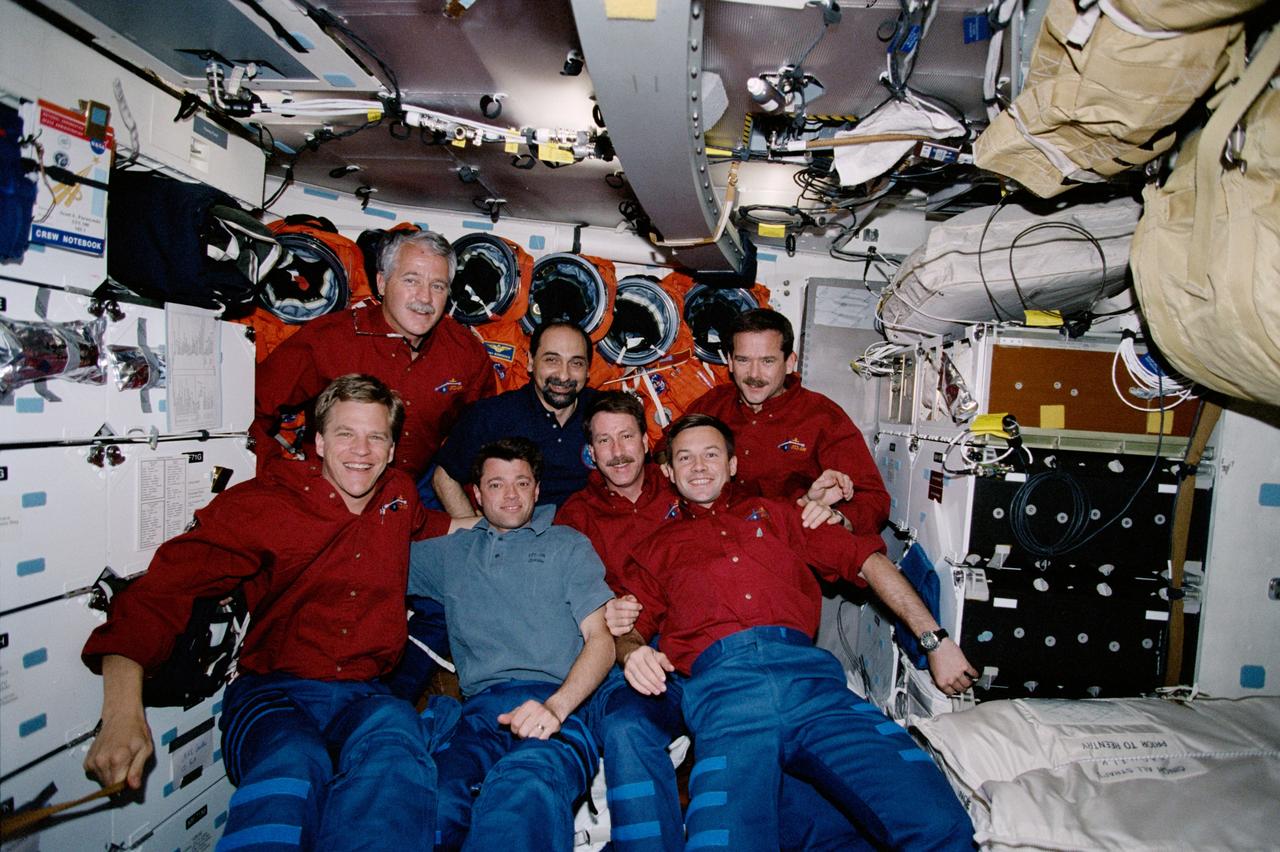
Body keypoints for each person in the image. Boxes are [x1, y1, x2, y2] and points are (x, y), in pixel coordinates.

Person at [82, 374, 461, 851]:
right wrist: (120, 712)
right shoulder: (264, 504)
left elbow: (445, 526)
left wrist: (518, 516)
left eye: (376, 437)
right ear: (319, 442)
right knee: (294, 761)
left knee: (398, 748)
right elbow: (159, 591)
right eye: (345, 434)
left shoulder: (399, 495)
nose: (360, 451)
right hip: (274, 692)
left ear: (390, 450)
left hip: (366, 696)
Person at [616, 414, 978, 851]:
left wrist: (933, 640)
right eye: (685, 458)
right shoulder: (655, 549)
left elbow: (869, 561)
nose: (698, 466)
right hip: (725, 702)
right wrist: (631, 650)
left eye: (711, 455)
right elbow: (626, 626)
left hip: (815, 690)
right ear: (669, 473)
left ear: (732, 465)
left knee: (939, 821)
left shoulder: (783, 516)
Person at [558, 392, 877, 851]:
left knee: (770, 720)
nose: (617, 451)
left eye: (627, 436)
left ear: (648, 445)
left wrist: (813, 501)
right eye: (603, 441)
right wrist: (607, 609)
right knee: (625, 723)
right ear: (590, 450)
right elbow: (573, 594)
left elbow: (759, 521)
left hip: (722, 652)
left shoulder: (684, 476)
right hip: (649, 651)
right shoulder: (577, 515)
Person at [409, 437, 614, 850]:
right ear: (477, 494)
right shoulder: (452, 554)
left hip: (558, 710)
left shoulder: (568, 545)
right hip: (479, 714)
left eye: (522, 483)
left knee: (524, 792)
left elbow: (602, 641)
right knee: (436, 801)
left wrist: (555, 708)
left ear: (537, 491)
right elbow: (369, 559)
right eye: (497, 484)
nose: (510, 495)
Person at [252, 229, 495, 480]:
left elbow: (483, 437)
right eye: (411, 281)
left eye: (437, 286)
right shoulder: (329, 338)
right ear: (382, 282)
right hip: (330, 490)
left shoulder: (466, 352)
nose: (425, 297)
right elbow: (252, 408)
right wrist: (274, 477)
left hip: (415, 492)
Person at [687, 308, 888, 534]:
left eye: (767, 361)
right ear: (730, 362)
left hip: (792, 543)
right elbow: (663, 456)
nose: (754, 374)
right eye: (743, 360)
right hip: (714, 538)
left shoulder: (823, 417)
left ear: (790, 362)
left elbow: (873, 499)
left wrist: (838, 518)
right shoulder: (711, 405)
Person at [433, 320, 597, 514]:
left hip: (585, 534)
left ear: (588, 371)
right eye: (552, 360)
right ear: (530, 361)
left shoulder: (604, 413)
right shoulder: (492, 415)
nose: (563, 375)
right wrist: (474, 531)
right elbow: (444, 477)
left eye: (576, 363)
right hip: (512, 535)